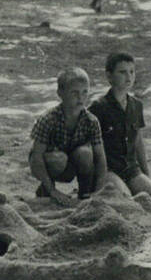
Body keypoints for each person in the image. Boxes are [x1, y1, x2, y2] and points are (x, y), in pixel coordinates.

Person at [88, 53, 151, 198]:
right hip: (108, 170)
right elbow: (88, 147)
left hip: (131, 169)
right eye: (122, 72)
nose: (128, 77)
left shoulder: (136, 105)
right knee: (127, 201)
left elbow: (138, 141)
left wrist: (146, 174)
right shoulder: (98, 107)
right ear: (109, 76)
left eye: (132, 71)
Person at [29, 67, 109, 205]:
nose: (81, 98)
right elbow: (36, 157)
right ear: (60, 93)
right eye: (74, 93)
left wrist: (98, 192)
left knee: (85, 153)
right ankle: (47, 190)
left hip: (74, 163)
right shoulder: (48, 119)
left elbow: (101, 158)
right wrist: (53, 191)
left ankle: (85, 194)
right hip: (49, 164)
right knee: (58, 159)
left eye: (85, 92)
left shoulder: (91, 121)